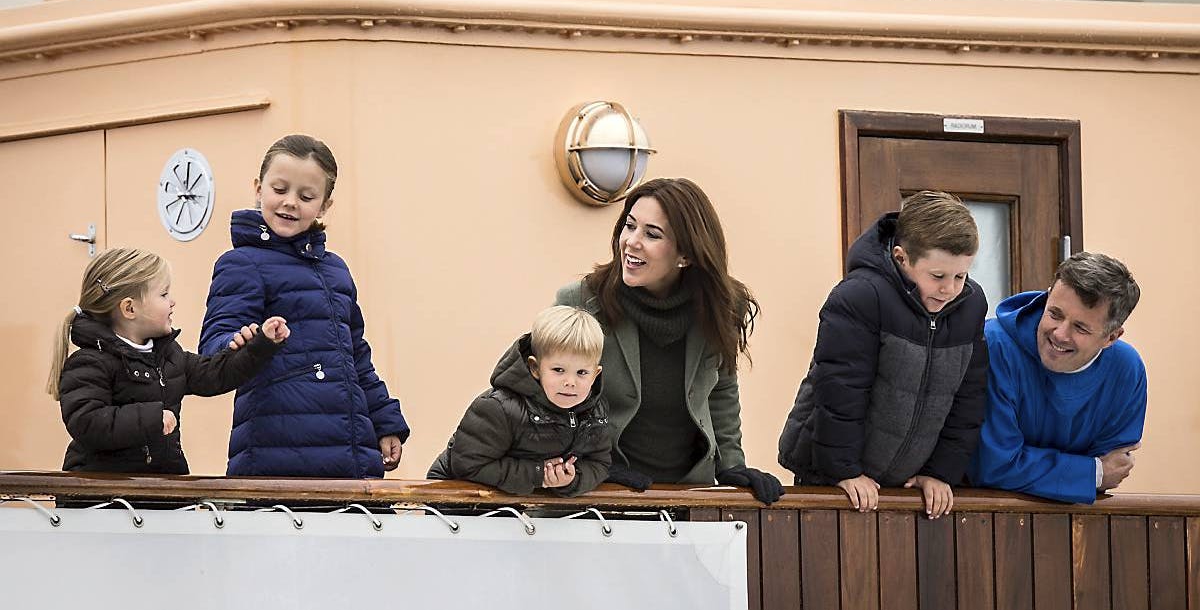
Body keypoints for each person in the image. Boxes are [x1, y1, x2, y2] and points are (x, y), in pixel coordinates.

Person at [555, 177, 784, 504]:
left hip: (688, 496)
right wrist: (588, 465)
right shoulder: (581, 302)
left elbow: (720, 390)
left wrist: (731, 464)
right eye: (629, 226)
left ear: (685, 255)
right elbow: (542, 393)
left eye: (652, 234)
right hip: (600, 493)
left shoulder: (721, 307)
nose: (632, 242)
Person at [199, 134, 409, 478]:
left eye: (306, 196)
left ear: (325, 205)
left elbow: (355, 356)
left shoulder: (336, 269)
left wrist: (384, 419)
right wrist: (241, 341)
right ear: (258, 188)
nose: (290, 202)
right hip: (277, 461)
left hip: (351, 461)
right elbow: (215, 343)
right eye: (279, 189)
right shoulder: (241, 263)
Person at [778, 191, 988, 519]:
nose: (949, 289)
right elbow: (840, 390)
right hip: (831, 474)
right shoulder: (860, 297)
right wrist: (843, 470)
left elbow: (968, 398)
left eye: (960, 276)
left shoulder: (970, 306)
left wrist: (940, 471)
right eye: (937, 276)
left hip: (907, 481)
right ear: (902, 258)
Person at [48, 247, 287, 474]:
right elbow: (87, 422)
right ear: (129, 309)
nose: (172, 301)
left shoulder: (169, 356)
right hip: (102, 498)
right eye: (163, 294)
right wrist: (152, 418)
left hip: (160, 488)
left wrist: (261, 345)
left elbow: (216, 374)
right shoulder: (89, 362)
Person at [969, 252, 1145, 504]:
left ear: (1112, 337)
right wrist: (1091, 473)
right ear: (1048, 295)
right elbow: (992, 465)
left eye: (1080, 327)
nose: (1060, 334)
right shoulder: (993, 346)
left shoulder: (1127, 371)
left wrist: (1084, 476)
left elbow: (1114, 468)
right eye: (1055, 313)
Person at [427, 305, 611, 497]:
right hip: (452, 502)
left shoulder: (595, 412)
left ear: (595, 375)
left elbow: (600, 463)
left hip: (514, 509)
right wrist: (538, 474)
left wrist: (570, 479)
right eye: (558, 370)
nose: (570, 382)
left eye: (582, 373)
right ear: (535, 368)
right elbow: (467, 464)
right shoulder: (498, 407)